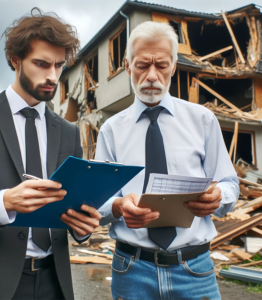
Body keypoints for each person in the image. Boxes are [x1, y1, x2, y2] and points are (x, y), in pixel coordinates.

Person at [96, 21, 239, 300]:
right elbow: (96, 202)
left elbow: (229, 183)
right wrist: (117, 206)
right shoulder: (111, 130)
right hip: (131, 270)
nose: (151, 75)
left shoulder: (203, 121)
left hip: (194, 270)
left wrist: (219, 196)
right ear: (127, 67)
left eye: (161, 65)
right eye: (141, 65)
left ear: (173, 66)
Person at [0, 8, 101, 300]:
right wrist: (3, 201)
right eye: (42, 64)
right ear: (15, 60)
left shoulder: (69, 132)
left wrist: (83, 227)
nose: (52, 76)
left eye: (59, 66)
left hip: (54, 281)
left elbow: (73, 203)